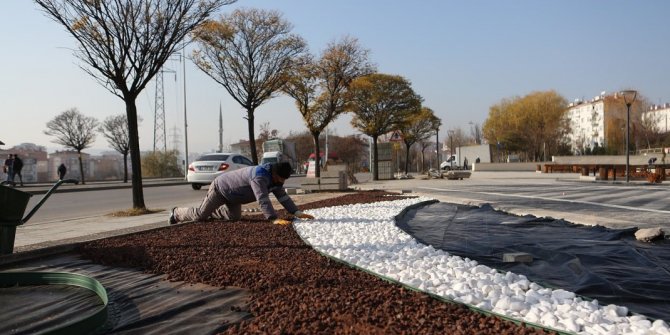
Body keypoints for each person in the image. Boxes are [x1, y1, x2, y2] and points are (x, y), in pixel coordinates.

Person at [169, 162, 315, 225]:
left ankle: (210, 212)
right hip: (221, 189)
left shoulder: (276, 181)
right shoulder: (260, 176)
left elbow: (283, 196)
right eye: (280, 178)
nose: (281, 182)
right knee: (200, 216)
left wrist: (296, 212)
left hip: (235, 196)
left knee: (234, 217)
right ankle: (176, 213)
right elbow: (262, 198)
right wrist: (273, 218)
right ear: (275, 173)